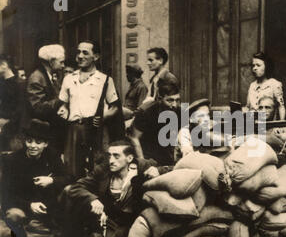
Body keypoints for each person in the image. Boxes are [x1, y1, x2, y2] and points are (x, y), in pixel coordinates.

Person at [50, 140, 170, 237]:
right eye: (109, 155)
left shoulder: (141, 167)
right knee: (68, 192)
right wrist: (92, 199)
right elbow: (76, 187)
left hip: (130, 222)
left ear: (129, 158)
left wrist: (158, 171)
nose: (111, 160)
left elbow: (174, 170)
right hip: (107, 219)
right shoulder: (103, 170)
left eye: (116, 156)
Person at [58, 40, 125, 179]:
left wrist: (102, 118)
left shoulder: (105, 79)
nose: (80, 56)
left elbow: (115, 107)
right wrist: (63, 112)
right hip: (74, 129)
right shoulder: (69, 79)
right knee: (73, 171)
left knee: (96, 168)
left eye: (85, 52)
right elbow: (63, 104)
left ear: (96, 56)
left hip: (95, 131)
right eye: (78, 52)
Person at [1, 119, 72, 237]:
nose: (33, 146)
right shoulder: (12, 160)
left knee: (70, 190)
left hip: (47, 205)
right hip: (22, 205)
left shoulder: (52, 156)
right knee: (14, 216)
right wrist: (29, 205)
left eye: (38, 142)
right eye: (29, 141)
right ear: (25, 141)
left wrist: (52, 180)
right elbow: (6, 194)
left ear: (46, 144)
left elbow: (70, 177)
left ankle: (60, 234)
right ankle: (19, 235)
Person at [130, 79, 182, 166]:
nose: (174, 105)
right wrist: (143, 163)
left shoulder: (180, 111)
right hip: (147, 154)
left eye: (177, 100)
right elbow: (134, 138)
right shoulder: (145, 111)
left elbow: (182, 135)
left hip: (167, 155)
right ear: (159, 99)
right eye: (170, 100)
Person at [26, 44, 67, 153]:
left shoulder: (50, 76)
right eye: (61, 62)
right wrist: (63, 98)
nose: (63, 66)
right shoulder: (37, 78)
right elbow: (38, 108)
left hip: (51, 130)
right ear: (51, 61)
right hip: (42, 132)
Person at [246, 52, 286, 120]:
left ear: (266, 67)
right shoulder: (252, 86)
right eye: (253, 65)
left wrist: (282, 125)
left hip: (269, 126)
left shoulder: (274, 84)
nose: (254, 68)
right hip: (252, 126)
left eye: (258, 65)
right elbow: (248, 107)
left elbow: (281, 107)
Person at [0, 56, 23, 151]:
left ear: (4, 65)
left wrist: (7, 122)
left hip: (12, 128)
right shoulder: (2, 83)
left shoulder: (19, 84)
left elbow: (20, 108)